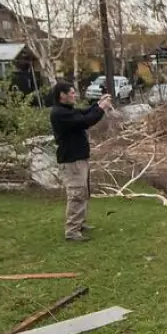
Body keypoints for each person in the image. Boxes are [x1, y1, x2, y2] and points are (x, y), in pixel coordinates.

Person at [49, 82, 112, 241]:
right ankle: (72, 231)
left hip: (79, 158)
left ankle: (79, 223)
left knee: (83, 193)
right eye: (71, 93)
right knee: (77, 194)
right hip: (71, 160)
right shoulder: (59, 113)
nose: (74, 95)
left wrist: (97, 104)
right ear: (62, 95)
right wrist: (102, 108)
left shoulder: (67, 110)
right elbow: (86, 121)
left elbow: (84, 112)